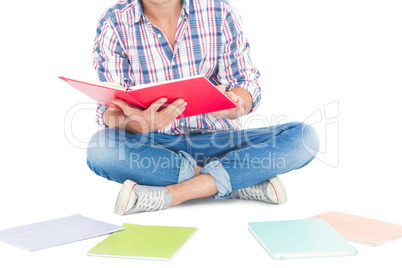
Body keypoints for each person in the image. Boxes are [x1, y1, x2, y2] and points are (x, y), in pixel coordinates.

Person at [86, 0, 320, 215]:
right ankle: (239, 182)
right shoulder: (114, 22)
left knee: (304, 137)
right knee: (100, 148)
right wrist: (140, 123)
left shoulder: (219, 10)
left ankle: (174, 194)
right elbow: (110, 111)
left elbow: (246, 86)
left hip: (221, 143)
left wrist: (230, 105)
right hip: (157, 147)